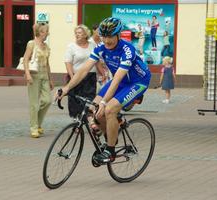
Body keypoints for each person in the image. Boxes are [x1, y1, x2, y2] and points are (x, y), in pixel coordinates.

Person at [53, 17, 151, 163]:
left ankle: (110, 152)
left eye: (110, 36)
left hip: (138, 82)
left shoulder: (127, 50)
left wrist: (105, 102)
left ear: (119, 35)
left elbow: (116, 80)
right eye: (104, 36)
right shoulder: (100, 48)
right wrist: (66, 88)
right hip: (121, 81)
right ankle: (111, 138)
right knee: (92, 109)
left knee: (109, 109)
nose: (106, 40)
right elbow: (84, 70)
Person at [65, 24, 105, 121]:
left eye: (79, 33)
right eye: (76, 33)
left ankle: (90, 121)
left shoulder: (92, 45)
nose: (77, 35)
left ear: (85, 35)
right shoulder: (71, 46)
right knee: (75, 100)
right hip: (76, 75)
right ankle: (76, 121)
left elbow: (97, 61)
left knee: (90, 99)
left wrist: (102, 74)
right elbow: (68, 62)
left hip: (90, 76)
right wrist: (72, 76)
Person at [23, 22, 54, 138]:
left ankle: (37, 123)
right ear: (40, 32)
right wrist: (28, 75)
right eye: (46, 31)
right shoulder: (31, 44)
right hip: (34, 77)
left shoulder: (46, 46)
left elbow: (47, 64)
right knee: (34, 104)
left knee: (47, 101)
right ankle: (34, 127)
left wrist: (51, 80)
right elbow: (26, 59)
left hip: (44, 77)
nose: (48, 33)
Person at [88, 23, 112, 93]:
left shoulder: (103, 40)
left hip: (106, 67)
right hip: (96, 67)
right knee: (97, 87)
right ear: (93, 31)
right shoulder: (90, 42)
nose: (100, 32)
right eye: (98, 30)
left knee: (106, 87)